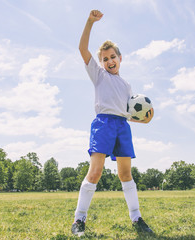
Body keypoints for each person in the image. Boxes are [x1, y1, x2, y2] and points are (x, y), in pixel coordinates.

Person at [72, 10, 154, 237]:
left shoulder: (127, 85)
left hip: (122, 126)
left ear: (120, 58)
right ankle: (79, 219)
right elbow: (82, 49)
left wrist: (142, 120)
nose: (109, 61)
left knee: (126, 174)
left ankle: (136, 218)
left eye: (112, 57)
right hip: (103, 124)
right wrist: (89, 22)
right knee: (96, 171)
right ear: (101, 63)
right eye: (105, 58)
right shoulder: (98, 75)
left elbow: (128, 113)